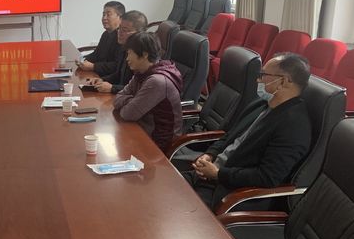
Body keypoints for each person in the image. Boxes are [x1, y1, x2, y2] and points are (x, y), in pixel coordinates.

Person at [186, 53, 313, 211]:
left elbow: (267, 177)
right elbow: (229, 136)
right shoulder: (261, 104)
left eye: (263, 75)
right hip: (208, 174)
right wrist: (210, 154)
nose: (258, 80)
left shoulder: (294, 126)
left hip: (227, 193)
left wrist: (218, 174)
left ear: (283, 81)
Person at [113, 32, 183, 153]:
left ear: (145, 54)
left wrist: (131, 102)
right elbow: (117, 99)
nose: (127, 58)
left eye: (130, 53)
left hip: (160, 142)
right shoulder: (141, 73)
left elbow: (127, 114)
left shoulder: (157, 81)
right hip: (143, 129)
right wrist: (133, 101)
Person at [87, 9, 148, 93]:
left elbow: (138, 90)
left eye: (124, 30)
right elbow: (118, 74)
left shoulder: (141, 56)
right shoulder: (124, 48)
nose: (119, 33)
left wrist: (112, 88)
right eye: (119, 28)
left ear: (139, 33)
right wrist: (101, 79)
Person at [76, 0, 126, 75]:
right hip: (98, 74)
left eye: (108, 15)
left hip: (109, 78)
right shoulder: (106, 34)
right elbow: (96, 54)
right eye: (103, 14)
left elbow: (117, 65)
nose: (104, 18)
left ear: (120, 17)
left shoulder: (122, 37)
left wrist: (93, 67)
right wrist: (82, 60)